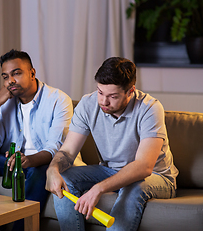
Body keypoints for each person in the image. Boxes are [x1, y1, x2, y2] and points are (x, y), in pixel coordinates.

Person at [45, 57, 179, 231]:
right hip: (110, 170)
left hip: (156, 176)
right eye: (100, 92)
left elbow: (144, 167)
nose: (104, 102)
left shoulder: (149, 108)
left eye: (113, 96)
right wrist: (52, 169)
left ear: (130, 91)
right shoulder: (88, 104)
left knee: (134, 186)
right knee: (66, 178)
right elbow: (68, 151)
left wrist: (98, 188)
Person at [0, 49, 84, 229]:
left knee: (40, 170)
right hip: (17, 161)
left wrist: (29, 160)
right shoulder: (6, 103)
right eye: (5, 76)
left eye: (16, 73)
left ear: (32, 73)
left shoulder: (58, 100)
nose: (10, 81)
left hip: (47, 164)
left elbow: (55, 148)